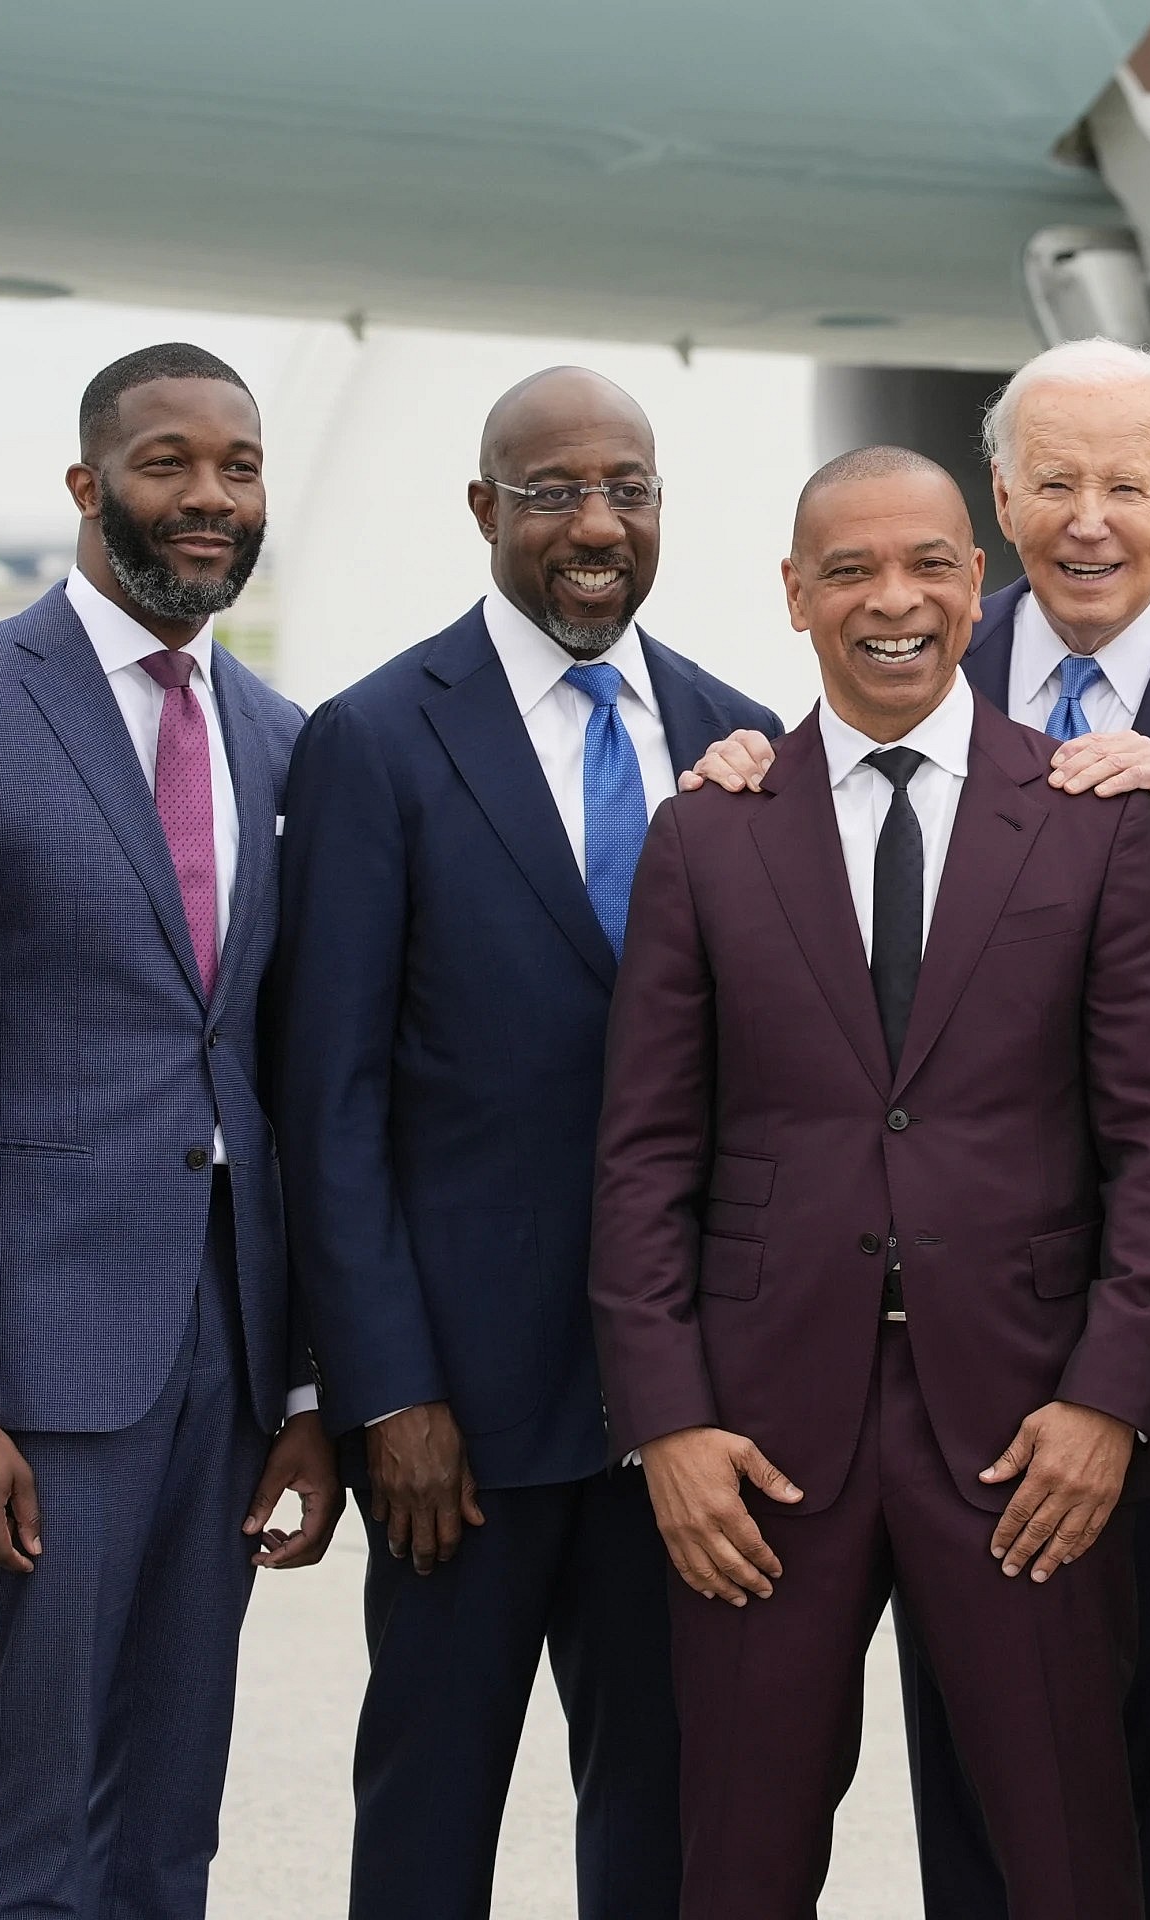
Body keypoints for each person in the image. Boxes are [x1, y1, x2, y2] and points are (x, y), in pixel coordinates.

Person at [687, 336, 1150, 1920]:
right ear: (1001, 503)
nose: (1090, 518)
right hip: (952, 1366)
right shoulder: (915, 649)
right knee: (989, 1809)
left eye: (1126, 482)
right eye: (1055, 482)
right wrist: (747, 769)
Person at [592, 447, 1150, 1920]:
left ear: (976, 584)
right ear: (794, 594)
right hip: (759, 1447)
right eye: (851, 570)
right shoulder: (708, 831)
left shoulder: (1088, 821)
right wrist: (667, 1424)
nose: (894, 600)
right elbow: (643, 1156)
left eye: (930, 564)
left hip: (1027, 1438)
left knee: (1070, 1860)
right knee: (738, 1866)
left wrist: (1110, 1402)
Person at [270, 366, 779, 1920]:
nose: (596, 524)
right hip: (461, 1430)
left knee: (669, 1826)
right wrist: (387, 1393)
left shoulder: (746, 740)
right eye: (554, 492)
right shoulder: (374, 741)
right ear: (485, 509)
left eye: (627, 488)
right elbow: (330, 1103)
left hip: (683, 1415)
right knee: (430, 1820)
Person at [0, 343, 342, 1920]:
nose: (210, 497)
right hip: (42, 1365)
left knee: (172, 1805)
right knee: (37, 1801)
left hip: (228, 1353)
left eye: (239, 468)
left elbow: (277, 1070)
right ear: (88, 484)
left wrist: (303, 1383)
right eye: (168, 463)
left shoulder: (280, 736)